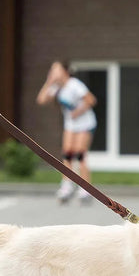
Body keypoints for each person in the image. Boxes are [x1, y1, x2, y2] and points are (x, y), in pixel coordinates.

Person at [37, 61, 97, 202]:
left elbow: (91, 100)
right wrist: (49, 82)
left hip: (85, 123)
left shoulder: (74, 84)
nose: (53, 72)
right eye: (52, 70)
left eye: (56, 69)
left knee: (80, 154)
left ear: (65, 71)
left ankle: (85, 189)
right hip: (71, 124)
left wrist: (78, 111)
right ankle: (66, 186)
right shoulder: (56, 87)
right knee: (67, 154)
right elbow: (41, 100)